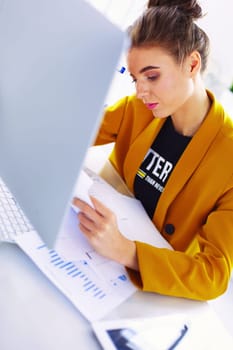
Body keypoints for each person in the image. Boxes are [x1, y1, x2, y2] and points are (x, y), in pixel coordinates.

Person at [73, 0, 233, 301]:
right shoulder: (139, 109)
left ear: (192, 64)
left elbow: (214, 275)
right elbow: (72, 134)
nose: (140, 91)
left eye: (152, 76)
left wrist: (127, 251)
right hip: (90, 253)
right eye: (136, 79)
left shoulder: (229, 159)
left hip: (147, 285)